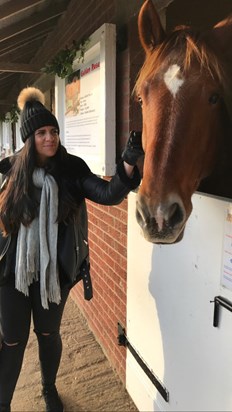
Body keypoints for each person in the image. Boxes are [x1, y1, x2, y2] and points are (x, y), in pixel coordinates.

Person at [0, 87, 143, 412]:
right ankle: (3, 401)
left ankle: (49, 388)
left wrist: (127, 166)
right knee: (12, 338)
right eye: (41, 133)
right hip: (13, 274)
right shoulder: (12, 169)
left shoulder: (72, 168)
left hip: (54, 274)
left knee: (48, 333)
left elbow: (108, 194)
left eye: (53, 131)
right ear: (28, 139)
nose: (50, 138)